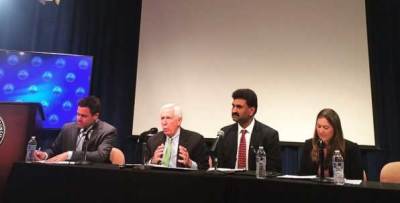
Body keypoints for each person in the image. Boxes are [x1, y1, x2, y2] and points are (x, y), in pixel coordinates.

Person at [33, 96, 117, 163]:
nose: (79, 119)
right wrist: (44, 155)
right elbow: (54, 150)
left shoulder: (107, 131)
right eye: (78, 114)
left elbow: (100, 156)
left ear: (95, 116)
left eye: (84, 116)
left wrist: (69, 155)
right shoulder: (67, 128)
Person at [216, 88, 282, 172]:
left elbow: (274, 170)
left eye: (239, 107)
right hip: (229, 182)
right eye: (233, 106)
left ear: (251, 111)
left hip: (256, 183)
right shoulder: (225, 132)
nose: (234, 110)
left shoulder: (269, 135)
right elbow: (220, 165)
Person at [298, 108, 363, 179]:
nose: (321, 131)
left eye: (325, 127)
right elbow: (302, 175)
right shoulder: (309, 145)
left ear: (335, 129)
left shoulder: (351, 148)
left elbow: (357, 179)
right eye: (319, 126)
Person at [147, 103, 209, 170]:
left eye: (168, 118)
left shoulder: (195, 140)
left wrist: (190, 163)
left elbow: (204, 168)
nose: (164, 123)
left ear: (179, 121)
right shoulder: (153, 140)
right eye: (162, 118)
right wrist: (152, 161)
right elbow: (142, 166)